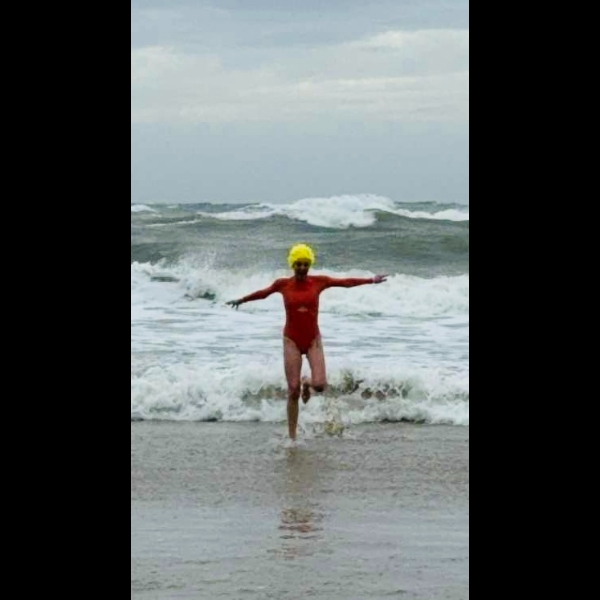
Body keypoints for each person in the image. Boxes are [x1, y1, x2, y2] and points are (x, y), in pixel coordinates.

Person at [226, 243, 388, 440]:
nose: (302, 268)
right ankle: (292, 437)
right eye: (298, 264)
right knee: (292, 391)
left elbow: (346, 282)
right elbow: (264, 293)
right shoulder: (283, 284)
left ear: (309, 264)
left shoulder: (319, 282)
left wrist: (371, 280)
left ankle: (307, 382)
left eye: (305, 264)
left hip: (312, 340)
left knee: (319, 385)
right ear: (292, 264)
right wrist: (242, 300)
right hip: (291, 340)